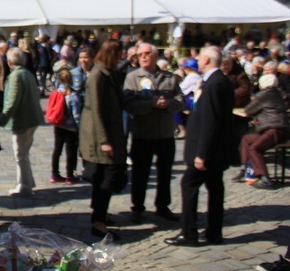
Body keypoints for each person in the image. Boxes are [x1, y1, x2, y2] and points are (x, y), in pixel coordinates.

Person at [166, 46, 233, 247]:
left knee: (189, 184)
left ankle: (189, 233)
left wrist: (202, 154)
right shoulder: (219, 80)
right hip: (215, 149)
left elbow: (211, 121)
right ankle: (213, 231)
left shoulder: (214, 83)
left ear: (205, 59)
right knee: (215, 187)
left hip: (206, 150)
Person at [123, 43, 184, 224]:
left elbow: (181, 100)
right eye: (140, 54)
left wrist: (168, 105)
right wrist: (150, 105)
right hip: (143, 134)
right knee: (140, 174)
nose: (142, 57)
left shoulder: (170, 78)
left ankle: (163, 206)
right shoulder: (132, 78)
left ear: (155, 56)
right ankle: (138, 208)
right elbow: (128, 105)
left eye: (147, 53)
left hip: (165, 133)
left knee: (165, 173)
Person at [79, 39, 126, 240]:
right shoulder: (98, 75)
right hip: (100, 135)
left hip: (111, 131)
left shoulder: (109, 73)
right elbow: (96, 109)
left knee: (103, 177)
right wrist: (104, 140)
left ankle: (99, 215)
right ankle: (98, 221)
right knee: (108, 176)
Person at [231, 74, 289, 189]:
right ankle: (244, 168)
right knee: (246, 139)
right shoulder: (279, 93)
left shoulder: (264, 95)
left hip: (274, 129)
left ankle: (265, 178)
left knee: (255, 149)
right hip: (280, 129)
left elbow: (249, 110)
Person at [0, 47, 44, 196]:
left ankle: (24, 185)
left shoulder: (16, 76)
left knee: (20, 154)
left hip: (23, 120)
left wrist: (1, 120)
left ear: (10, 61)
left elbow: (11, 102)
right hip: (32, 118)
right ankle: (28, 181)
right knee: (24, 152)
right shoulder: (27, 73)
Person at [50, 69, 81, 185]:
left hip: (58, 125)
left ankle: (54, 173)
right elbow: (76, 114)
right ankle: (70, 175)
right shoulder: (73, 95)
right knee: (70, 151)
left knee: (57, 149)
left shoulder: (56, 93)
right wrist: (79, 127)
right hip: (70, 127)